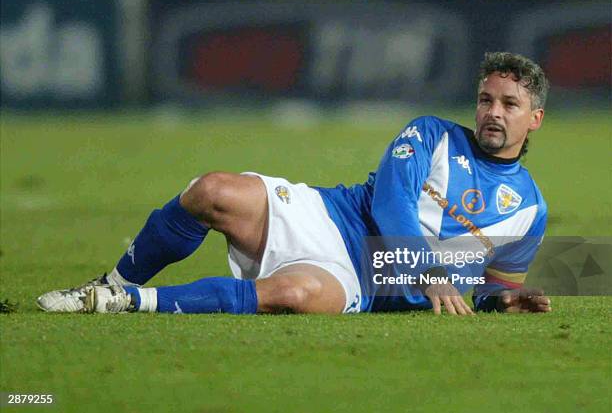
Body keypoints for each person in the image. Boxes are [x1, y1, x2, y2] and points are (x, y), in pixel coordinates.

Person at [37, 51, 552, 316]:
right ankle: (115, 283)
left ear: (535, 119)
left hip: (363, 283)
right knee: (211, 191)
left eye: (509, 105)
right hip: (329, 216)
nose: (492, 112)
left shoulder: (530, 211)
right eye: (486, 99)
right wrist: (429, 273)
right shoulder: (430, 134)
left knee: (294, 294)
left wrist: (500, 301)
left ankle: (123, 306)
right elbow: (394, 206)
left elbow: (488, 287)